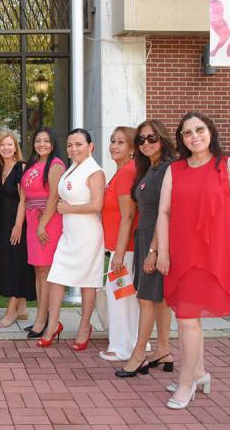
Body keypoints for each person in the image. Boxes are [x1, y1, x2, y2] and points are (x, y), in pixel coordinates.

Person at [156, 112, 230, 410]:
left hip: (211, 254)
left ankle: (186, 382)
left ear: (210, 132)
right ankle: (199, 372)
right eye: (187, 133)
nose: (194, 136)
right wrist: (164, 252)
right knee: (187, 319)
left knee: (187, 319)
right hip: (181, 253)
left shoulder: (227, 166)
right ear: (181, 139)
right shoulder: (175, 170)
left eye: (199, 130)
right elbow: (164, 213)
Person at [116, 120, 176, 378]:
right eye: (141, 140)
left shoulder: (167, 169)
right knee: (159, 298)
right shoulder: (149, 169)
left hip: (157, 241)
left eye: (151, 138)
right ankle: (163, 350)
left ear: (162, 139)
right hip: (145, 239)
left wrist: (155, 250)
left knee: (146, 299)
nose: (146, 143)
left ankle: (139, 355)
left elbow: (169, 212)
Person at [39, 129, 105, 349]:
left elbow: (97, 205)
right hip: (69, 235)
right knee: (56, 278)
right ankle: (52, 325)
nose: (73, 149)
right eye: (70, 145)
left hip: (88, 235)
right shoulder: (71, 169)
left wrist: (67, 208)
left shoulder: (95, 171)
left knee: (87, 283)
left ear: (90, 146)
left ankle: (85, 327)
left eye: (78, 144)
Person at [19, 128, 65, 338]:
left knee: (46, 271)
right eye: (38, 140)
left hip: (48, 222)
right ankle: (42, 314)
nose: (42, 144)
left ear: (53, 144)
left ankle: (44, 320)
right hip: (32, 219)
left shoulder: (55, 165)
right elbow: (25, 196)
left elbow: (54, 197)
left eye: (46, 140)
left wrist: (41, 225)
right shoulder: (32, 165)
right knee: (39, 271)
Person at [100, 127, 140, 361]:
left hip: (125, 248)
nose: (114, 146)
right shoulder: (122, 171)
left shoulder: (127, 172)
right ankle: (132, 344)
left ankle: (121, 348)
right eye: (113, 141)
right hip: (121, 247)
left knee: (120, 296)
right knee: (125, 297)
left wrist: (119, 253)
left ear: (133, 148)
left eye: (121, 142)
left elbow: (128, 215)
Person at [0, 132, 35, 328]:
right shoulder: (0, 168)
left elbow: (24, 200)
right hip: (3, 224)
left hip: (19, 223)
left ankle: (11, 311)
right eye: (3, 145)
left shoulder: (21, 167)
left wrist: (18, 226)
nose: (6, 148)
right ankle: (22, 308)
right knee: (9, 263)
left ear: (16, 147)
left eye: (10, 145)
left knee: (17, 266)